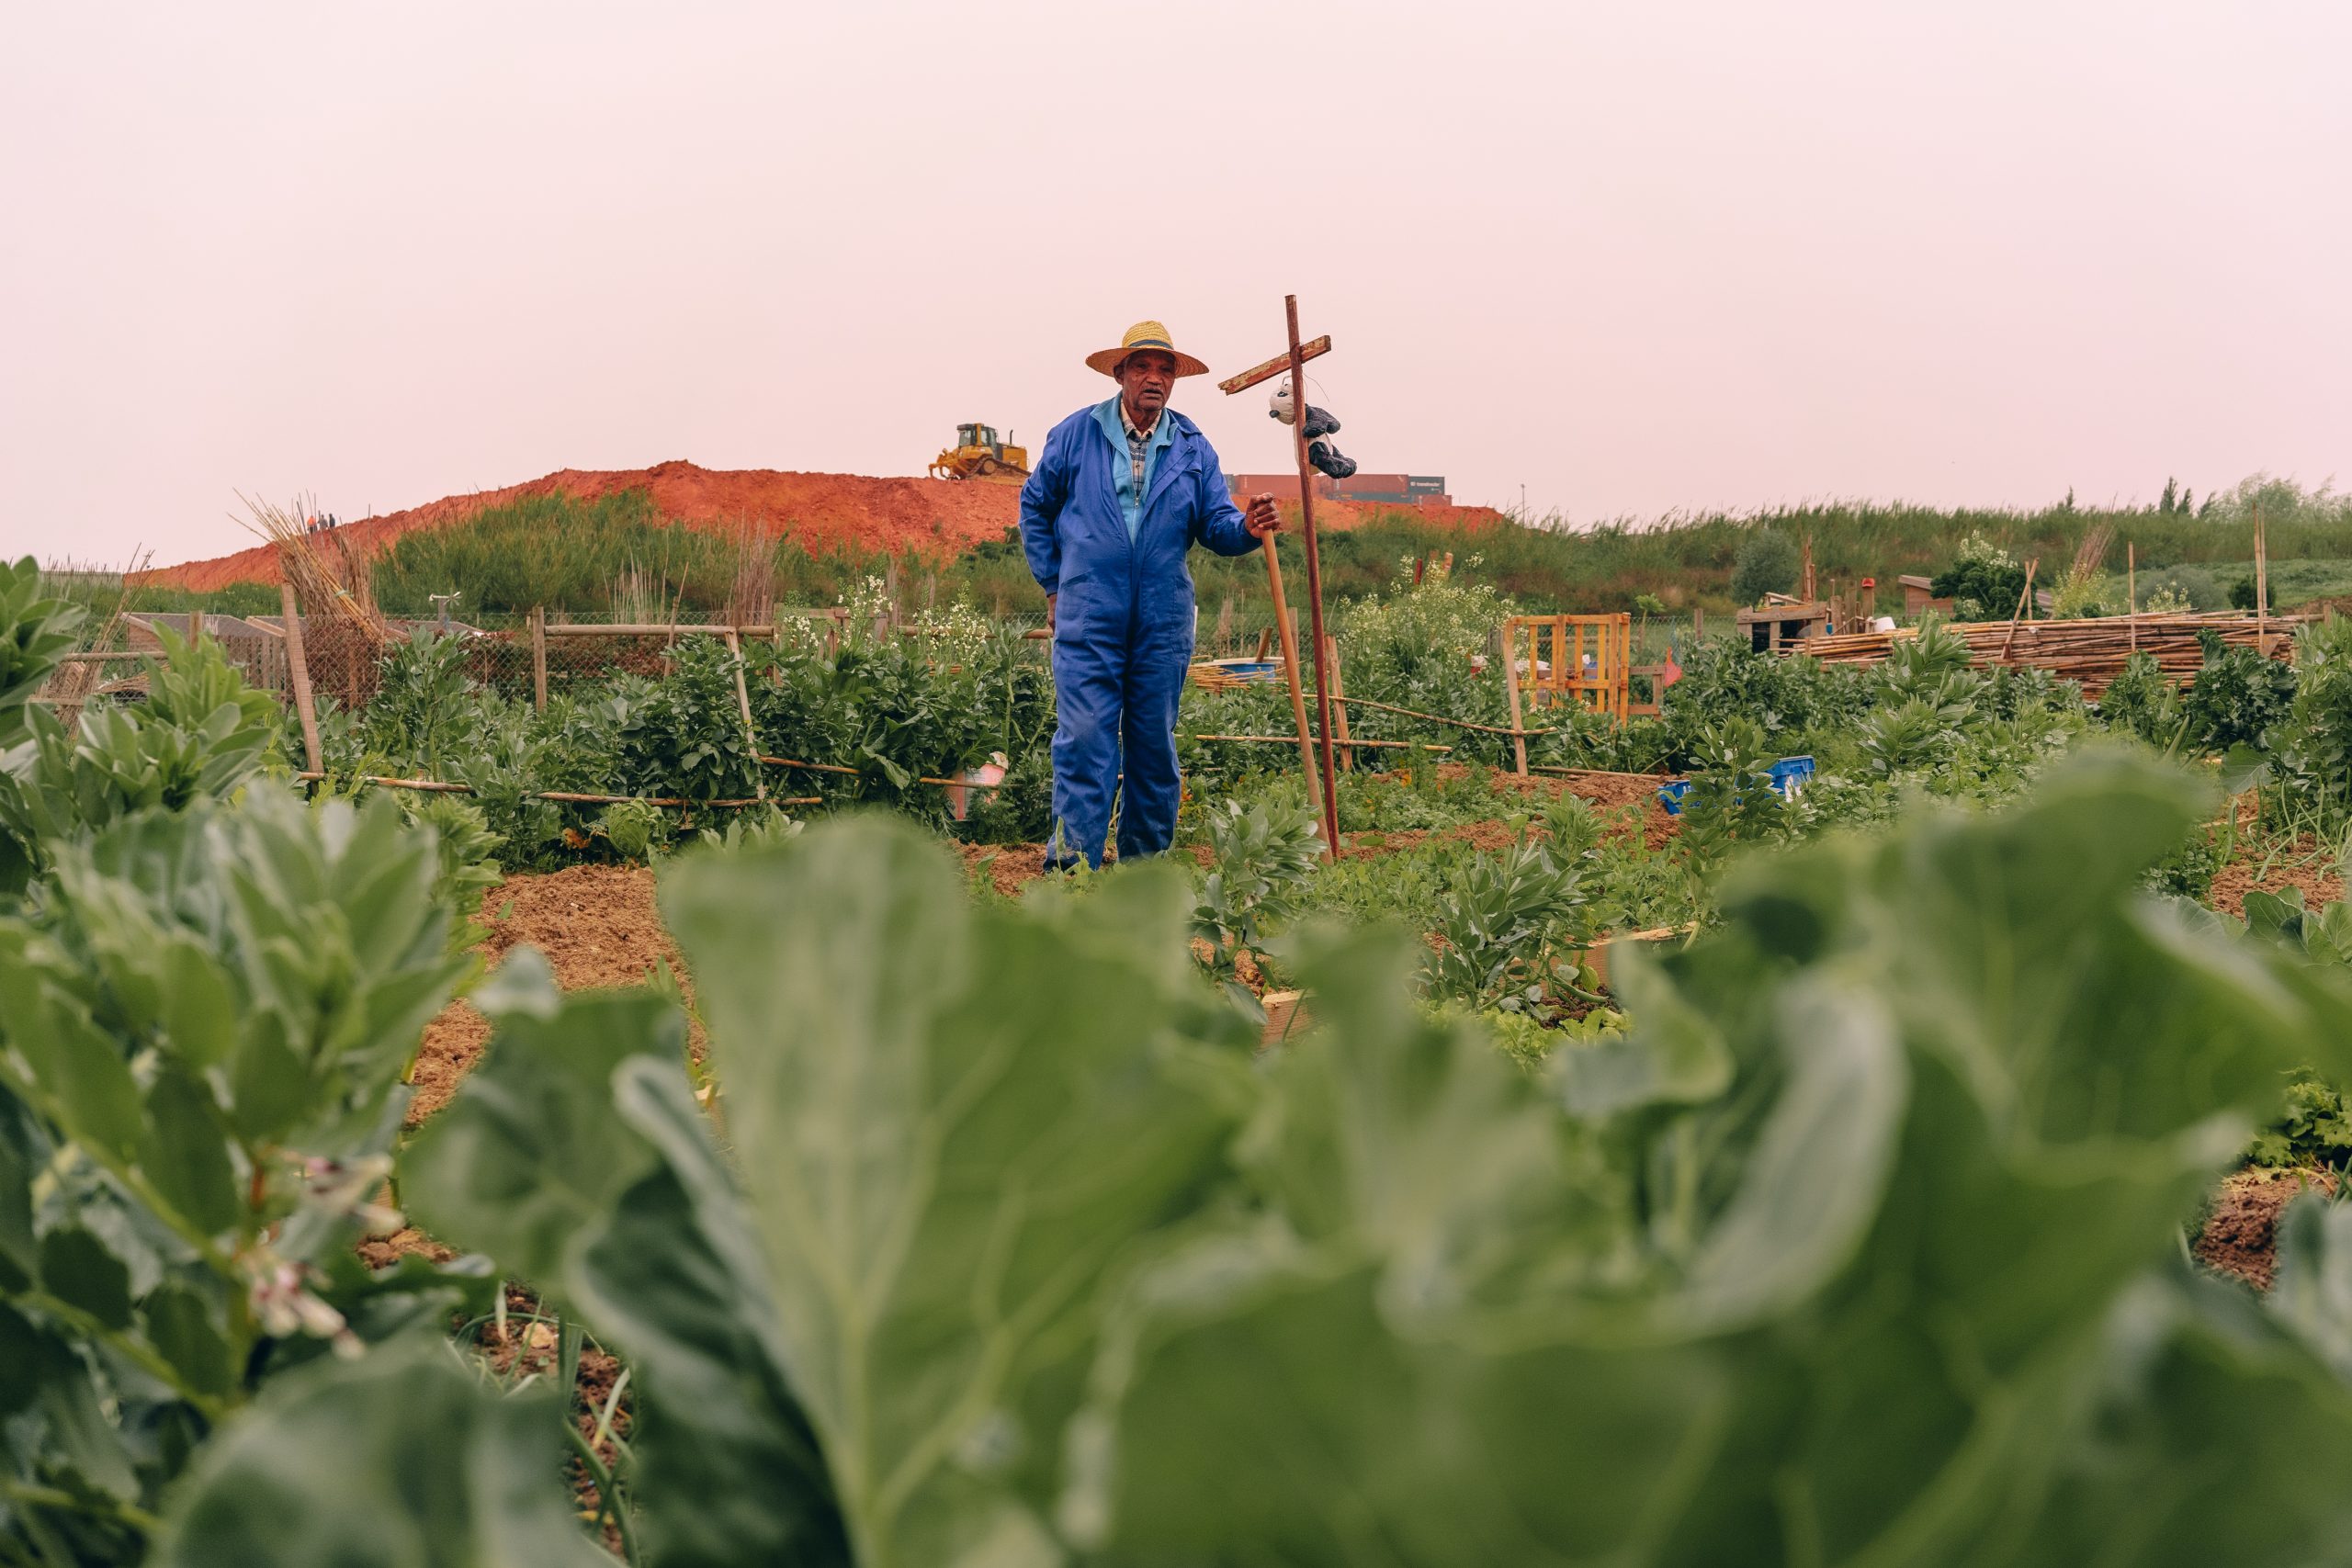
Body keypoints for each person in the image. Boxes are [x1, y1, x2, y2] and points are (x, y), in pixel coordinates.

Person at [1020, 320, 1280, 869]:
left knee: (1152, 747)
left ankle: (1145, 870)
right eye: (1142, 367)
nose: (1154, 379)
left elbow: (1216, 524)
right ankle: (1072, 869)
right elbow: (1035, 507)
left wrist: (1249, 530)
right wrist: (1052, 583)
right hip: (1089, 614)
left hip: (1161, 621)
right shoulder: (1076, 434)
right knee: (1086, 738)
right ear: (1120, 374)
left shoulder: (1191, 446)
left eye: (1166, 370)